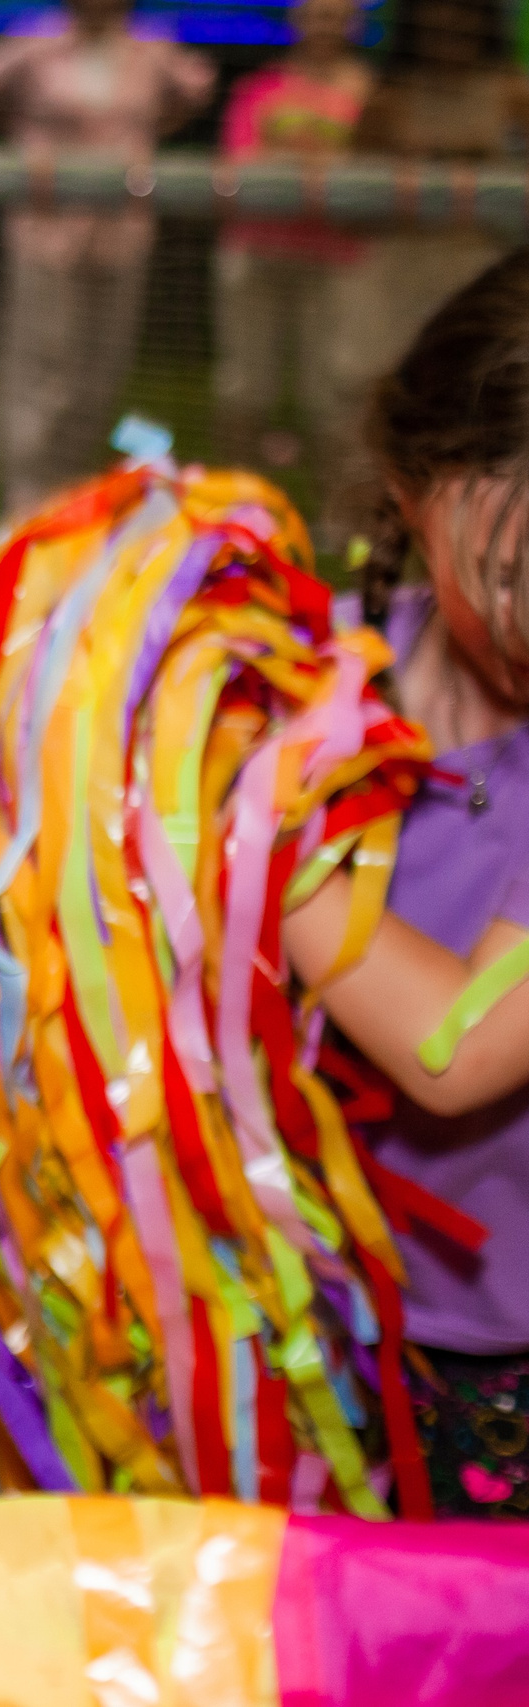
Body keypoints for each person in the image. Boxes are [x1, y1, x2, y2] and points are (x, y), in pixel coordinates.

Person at [283, 251, 529, 1519]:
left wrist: (238, 832)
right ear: (410, 490)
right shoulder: (303, 675)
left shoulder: (247, 770)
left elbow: (457, 1044)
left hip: (506, 1359)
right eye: (512, 574)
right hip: (303, 1318)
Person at [0, 0, 213, 517]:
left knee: (100, 363)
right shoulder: (38, 40)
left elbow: (196, 89)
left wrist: (142, 143)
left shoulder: (149, 48)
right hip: (47, 231)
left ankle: (76, 485)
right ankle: (25, 495)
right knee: (41, 360)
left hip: (121, 232)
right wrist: (22, 134)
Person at [331, 0, 529, 458]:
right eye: (435, 13)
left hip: (480, 280)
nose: (448, 22)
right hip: (393, 283)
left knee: (473, 416)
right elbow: (351, 210)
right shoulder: (388, 98)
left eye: (462, 13)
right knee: (371, 411)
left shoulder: (513, 94)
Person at [211, 0, 372, 523]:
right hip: (256, 254)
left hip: (336, 260)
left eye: (334, 15)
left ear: (353, 22)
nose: (323, 25)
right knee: (246, 388)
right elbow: (239, 166)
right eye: (314, 13)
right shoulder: (259, 88)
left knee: (333, 395)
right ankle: (238, 511)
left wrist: (286, 152)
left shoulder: (371, 93)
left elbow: (372, 170)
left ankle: (338, 519)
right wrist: (322, 165)